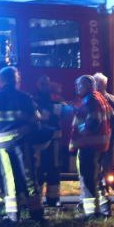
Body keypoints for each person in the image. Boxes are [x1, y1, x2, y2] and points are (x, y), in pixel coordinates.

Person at [0, 65, 42, 223]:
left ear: (1, 80)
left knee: (9, 178)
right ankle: (36, 213)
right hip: (22, 143)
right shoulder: (26, 98)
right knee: (29, 177)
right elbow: (36, 120)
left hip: (2, 146)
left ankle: (13, 215)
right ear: (16, 80)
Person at [69, 74, 111, 219]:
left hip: (90, 146)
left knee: (88, 180)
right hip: (98, 146)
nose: (77, 88)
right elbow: (112, 118)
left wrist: (81, 129)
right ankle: (104, 210)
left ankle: (91, 214)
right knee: (96, 179)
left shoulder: (91, 101)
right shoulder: (99, 98)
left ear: (87, 86)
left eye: (79, 85)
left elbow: (92, 123)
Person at [32, 76, 68, 208]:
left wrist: (49, 113)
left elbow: (64, 111)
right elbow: (37, 116)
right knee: (38, 170)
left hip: (54, 140)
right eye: (41, 83)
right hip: (39, 141)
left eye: (46, 83)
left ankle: (53, 199)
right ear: (37, 84)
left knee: (54, 169)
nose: (44, 86)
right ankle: (37, 199)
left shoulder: (56, 98)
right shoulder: (33, 99)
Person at [91, 72, 114, 172]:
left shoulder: (93, 100)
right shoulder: (113, 99)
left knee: (94, 166)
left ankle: (99, 184)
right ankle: (104, 184)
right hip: (108, 140)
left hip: (95, 141)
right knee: (106, 165)